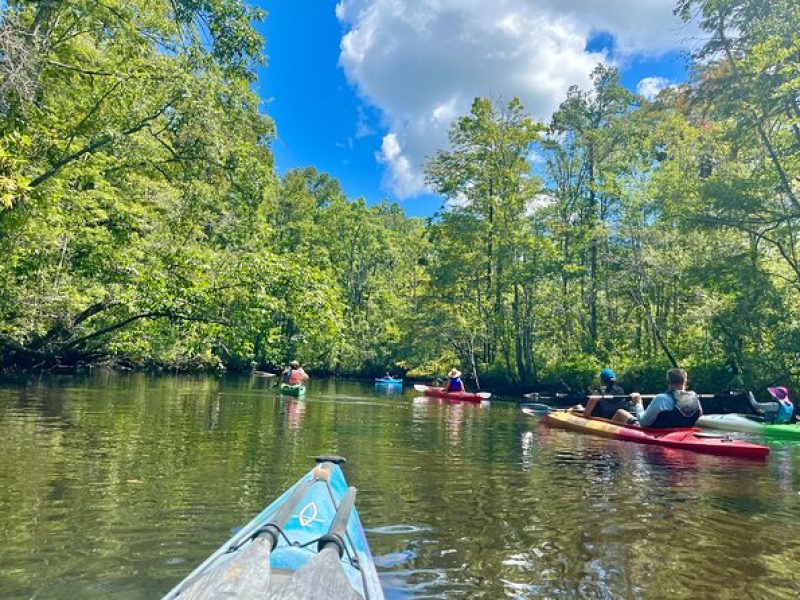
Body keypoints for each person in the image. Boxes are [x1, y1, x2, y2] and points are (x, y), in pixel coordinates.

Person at [630, 368, 702, 428]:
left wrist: (638, 403)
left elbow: (643, 423)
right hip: (684, 433)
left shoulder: (661, 399)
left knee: (621, 413)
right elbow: (699, 415)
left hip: (659, 433)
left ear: (668, 382)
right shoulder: (694, 398)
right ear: (685, 382)